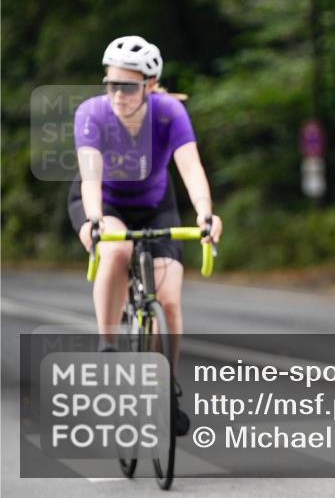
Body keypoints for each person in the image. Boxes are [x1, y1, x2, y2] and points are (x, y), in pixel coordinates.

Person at [68, 35, 223, 436]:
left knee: (168, 301)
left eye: (128, 86)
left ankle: (167, 389)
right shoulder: (92, 113)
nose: (117, 95)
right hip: (106, 202)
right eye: (110, 84)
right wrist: (96, 220)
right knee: (117, 253)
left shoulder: (170, 112)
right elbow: (90, 176)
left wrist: (206, 213)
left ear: (150, 85)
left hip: (156, 204)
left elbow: (190, 167)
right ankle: (107, 348)